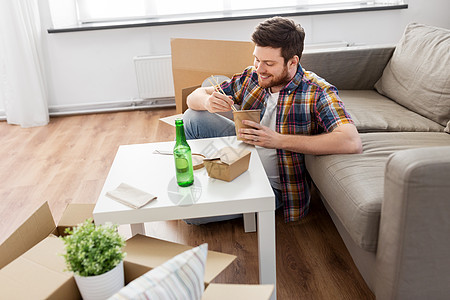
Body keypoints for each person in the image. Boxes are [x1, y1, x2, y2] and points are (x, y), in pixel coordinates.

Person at [183, 16, 362, 224]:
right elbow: (192, 98)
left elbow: (351, 141)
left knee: (191, 215)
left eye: (268, 63)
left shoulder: (318, 92)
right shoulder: (253, 76)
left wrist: (277, 140)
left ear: (293, 61)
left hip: (273, 187)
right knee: (192, 116)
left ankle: (219, 190)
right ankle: (211, 177)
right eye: (256, 59)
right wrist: (207, 102)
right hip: (242, 154)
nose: (259, 68)